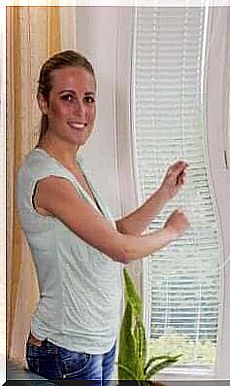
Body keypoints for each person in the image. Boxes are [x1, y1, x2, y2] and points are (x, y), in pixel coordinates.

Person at [15, 50, 190, 384]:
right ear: (43, 102)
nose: (82, 111)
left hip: (95, 343)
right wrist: (172, 231)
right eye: (68, 98)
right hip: (67, 350)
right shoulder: (47, 178)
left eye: (89, 98)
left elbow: (115, 231)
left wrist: (165, 193)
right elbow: (120, 249)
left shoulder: (76, 166)